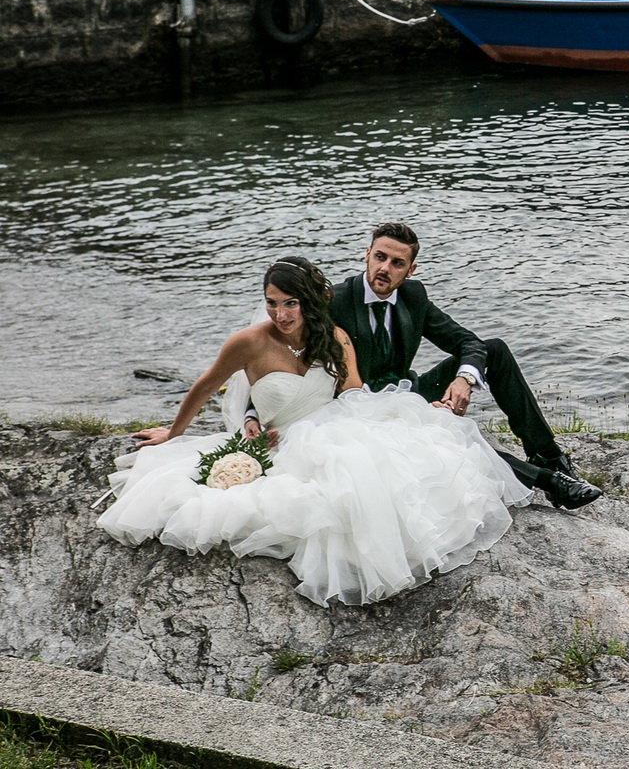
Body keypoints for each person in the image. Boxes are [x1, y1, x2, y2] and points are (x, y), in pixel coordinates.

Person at [98, 257, 544, 607]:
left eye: (289, 303)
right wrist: (175, 433)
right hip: (284, 441)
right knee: (317, 501)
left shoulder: (333, 336)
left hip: (333, 425)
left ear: (307, 302)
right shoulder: (248, 342)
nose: (280, 312)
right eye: (272, 302)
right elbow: (205, 386)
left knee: (384, 472)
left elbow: (351, 395)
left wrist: (402, 413)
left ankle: (543, 468)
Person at [272, 222, 598, 510]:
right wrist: (258, 413)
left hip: (408, 391)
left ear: (410, 270)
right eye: (380, 257)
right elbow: (283, 358)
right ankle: (549, 482)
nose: (385, 268)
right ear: (367, 254)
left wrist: (463, 379)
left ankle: (548, 455)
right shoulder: (337, 301)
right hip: (361, 411)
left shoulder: (413, 296)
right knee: (448, 438)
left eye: (397, 263)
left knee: (494, 350)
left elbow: (468, 342)